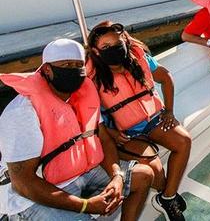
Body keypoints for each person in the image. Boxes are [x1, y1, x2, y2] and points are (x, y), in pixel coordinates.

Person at [0, 39, 154, 220]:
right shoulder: (23, 111)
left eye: (78, 65)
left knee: (143, 175)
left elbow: (103, 138)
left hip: (80, 172)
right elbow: (23, 183)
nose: (73, 70)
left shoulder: (83, 95)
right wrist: (86, 205)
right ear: (47, 69)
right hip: (31, 194)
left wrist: (117, 176)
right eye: (65, 65)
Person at [86, 21, 191, 221]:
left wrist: (169, 111)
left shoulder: (139, 59)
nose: (113, 51)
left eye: (117, 45)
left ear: (125, 41)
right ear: (96, 51)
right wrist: (112, 134)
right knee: (156, 171)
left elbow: (166, 77)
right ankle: (164, 192)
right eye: (105, 47)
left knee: (184, 141)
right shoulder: (92, 78)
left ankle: (168, 199)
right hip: (125, 133)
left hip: (154, 120)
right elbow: (90, 118)